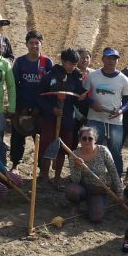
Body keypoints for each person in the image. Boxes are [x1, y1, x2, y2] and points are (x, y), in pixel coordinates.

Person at [38, 48, 87, 187]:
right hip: (50, 119)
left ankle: (57, 178)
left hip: (67, 120)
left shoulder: (75, 79)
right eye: (70, 63)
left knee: (62, 149)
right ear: (64, 62)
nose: (73, 67)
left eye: (75, 64)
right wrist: (51, 109)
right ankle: (44, 177)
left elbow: (78, 96)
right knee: (47, 148)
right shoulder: (49, 76)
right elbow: (39, 98)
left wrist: (82, 96)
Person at [84, 47, 128, 175]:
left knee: (115, 150)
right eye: (109, 58)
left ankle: (116, 177)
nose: (111, 61)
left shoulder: (124, 79)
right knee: (92, 148)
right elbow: (83, 95)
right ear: (103, 59)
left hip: (115, 121)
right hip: (95, 118)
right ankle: (91, 175)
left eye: (114, 59)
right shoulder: (92, 76)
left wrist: (121, 111)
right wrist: (92, 103)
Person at [10, 30, 53, 171]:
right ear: (26, 44)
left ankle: (42, 167)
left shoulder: (47, 62)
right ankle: (15, 164)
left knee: (41, 139)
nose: (34, 46)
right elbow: (15, 84)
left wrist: (42, 107)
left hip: (41, 108)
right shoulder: (20, 62)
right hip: (22, 106)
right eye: (31, 43)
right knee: (17, 136)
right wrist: (18, 106)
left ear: (41, 44)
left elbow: (50, 87)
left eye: (37, 43)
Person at [66, 127, 122, 223]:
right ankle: (76, 204)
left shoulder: (103, 151)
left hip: (98, 190)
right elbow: (75, 180)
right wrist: (77, 167)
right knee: (72, 191)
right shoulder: (74, 155)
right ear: (80, 140)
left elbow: (113, 172)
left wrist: (120, 193)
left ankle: (93, 204)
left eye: (90, 138)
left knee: (96, 218)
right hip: (82, 188)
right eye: (84, 138)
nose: (87, 141)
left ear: (95, 140)